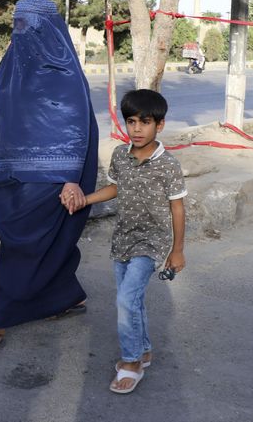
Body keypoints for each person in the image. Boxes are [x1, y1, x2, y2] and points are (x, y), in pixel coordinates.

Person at [0, 0, 99, 359]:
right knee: (44, 244)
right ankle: (66, 296)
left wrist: (70, 178)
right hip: (13, 168)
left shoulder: (63, 71)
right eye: (16, 23)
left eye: (29, 24)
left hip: (57, 174)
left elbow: (77, 127)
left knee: (26, 248)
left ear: (48, 27)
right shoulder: (12, 64)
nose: (21, 31)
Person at [81, 88, 187, 394]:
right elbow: (114, 188)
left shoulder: (168, 164)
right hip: (123, 239)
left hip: (153, 241)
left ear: (160, 125)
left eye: (145, 122)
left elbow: (177, 208)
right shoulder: (120, 156)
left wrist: (177, 251)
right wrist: (86, 199)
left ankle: (131, 363)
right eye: (131, 122)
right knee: (133, 299)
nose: (137, 128)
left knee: (126, 299)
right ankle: (144, 351)